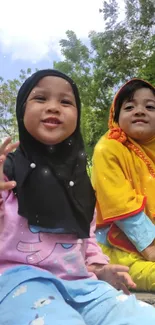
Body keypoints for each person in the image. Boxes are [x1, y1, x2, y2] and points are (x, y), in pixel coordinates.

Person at [0, 71, 155, 325]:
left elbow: (86, 236)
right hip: (20, 282)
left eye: (65, 102)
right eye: (40, 98)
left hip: (83, 287)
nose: (53, 107)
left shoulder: (78, 181)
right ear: (21, 109)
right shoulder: (7, 171)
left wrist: (100, 269)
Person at [92, 78, 155, 292]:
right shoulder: (108, 148)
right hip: (115, 244)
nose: (139, 111)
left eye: (150, 107)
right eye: (129, 106)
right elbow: (120, 204)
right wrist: (151, 248)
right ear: (116, 117)